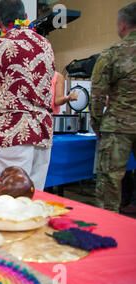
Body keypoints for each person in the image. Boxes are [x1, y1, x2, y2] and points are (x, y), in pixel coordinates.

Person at [0, 0, 55, 190]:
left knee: (8, 195)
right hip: (42, 130)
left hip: (13, 131)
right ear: (26, 17)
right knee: (36, 194)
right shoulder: (46, 44)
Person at [90, 2, 136, 213]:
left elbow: (97, 95)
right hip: (119, 125)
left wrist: (96, 123)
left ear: (123, 25)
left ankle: (109, 230)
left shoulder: (113, 53)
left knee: (110, 183)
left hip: (118, 126)